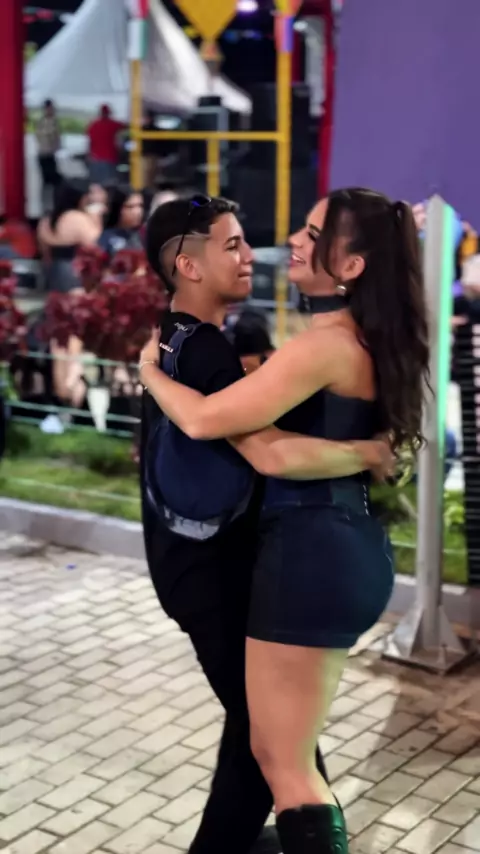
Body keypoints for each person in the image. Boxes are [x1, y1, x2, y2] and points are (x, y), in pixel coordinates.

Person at [139, 188, 429, 854]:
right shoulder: (363, 338)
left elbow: (222, 429)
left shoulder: (325, 344)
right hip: (342, 546)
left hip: (310, 554)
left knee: (285, 764)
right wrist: (366, 453)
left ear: (351, 266)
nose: (292, 241)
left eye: (313, 233)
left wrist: (149, 371)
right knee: (276, 748)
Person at [37, 181, 106, 407]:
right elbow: (97, 245)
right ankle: (71, 391)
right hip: (75, 280)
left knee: (59, 342)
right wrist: (95, 217)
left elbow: (45, 256)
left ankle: (60, 392)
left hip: (55, 281)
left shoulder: (46, 222)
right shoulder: (77, 218)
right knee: (74, 341)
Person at [99, 185, 144, 257]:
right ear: (118, 208)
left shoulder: (145, 233)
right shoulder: (107, 238)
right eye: (130, 207)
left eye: (140, 205)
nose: (137, 212)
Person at [87, 104, 124, 185]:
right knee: (110, 183)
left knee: (97, 184)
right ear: (109, 113)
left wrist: (89, 155)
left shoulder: (93, 125)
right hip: (110, 158)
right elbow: (127, 126)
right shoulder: (113, 124)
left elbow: (90, 142)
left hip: (96, 158)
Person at [35, 99, 61, 212]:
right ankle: (46, 205)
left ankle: (51, 204)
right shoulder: (45, 122)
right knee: (48, 180)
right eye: (50, 108)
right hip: (44, 154)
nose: (52, 110)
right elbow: (47, 137)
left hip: (50, 154)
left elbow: (56, 139)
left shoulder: (53, 121)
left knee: (52, 181)